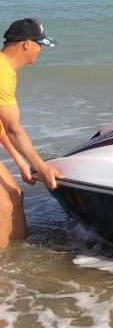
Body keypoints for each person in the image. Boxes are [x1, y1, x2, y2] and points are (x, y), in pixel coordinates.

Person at [0, 18, 62, 248]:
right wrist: (42, 167)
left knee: (16, 196)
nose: (41, 50)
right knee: (2, 208)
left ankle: (16, 259)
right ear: (27, 44)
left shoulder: (7, 70)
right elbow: (14, 130)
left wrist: (21, 163)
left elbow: (3, 127)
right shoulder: (1, 73)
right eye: (40, 45)